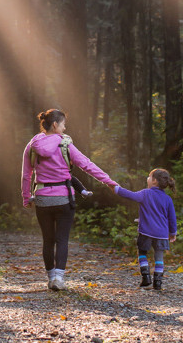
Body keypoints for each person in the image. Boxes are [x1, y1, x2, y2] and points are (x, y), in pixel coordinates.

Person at [22, 109, 119, 291]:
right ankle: (59, 278)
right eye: (64, 124)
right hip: (64, 198)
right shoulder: (65, 144)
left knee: (48, 240)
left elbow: (26, 175)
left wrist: (26, 197)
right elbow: (87, 165)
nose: (65, 128)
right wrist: (109, 182)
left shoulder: (32, 145)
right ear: (55, 124)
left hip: (42, 198)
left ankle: (51, 278)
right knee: (62, 239)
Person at [109, 168, 177, 290]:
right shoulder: (168, 199)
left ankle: (146, 277)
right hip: (161, 234)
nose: (147, 178)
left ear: (154, 181)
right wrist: (172, 233)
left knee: (142, 252)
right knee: (159, 256)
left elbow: (130, 195)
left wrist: (115, 188)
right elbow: (172, 218)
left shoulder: (145, 193)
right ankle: (158, 282)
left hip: (146, 231)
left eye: (149, 176)